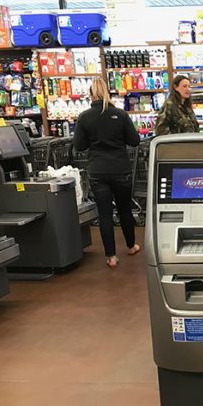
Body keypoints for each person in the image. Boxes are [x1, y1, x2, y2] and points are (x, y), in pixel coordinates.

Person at [73, 78, 141, 269]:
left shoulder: (85, 117)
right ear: (108, 93)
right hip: (121, 169)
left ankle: (111, 257)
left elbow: (79, 146)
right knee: (124, 209)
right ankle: (131, 245)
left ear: (90, 94)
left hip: (97, 170)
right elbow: (134, 140)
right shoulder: (120, 114)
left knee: (104, 214)